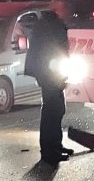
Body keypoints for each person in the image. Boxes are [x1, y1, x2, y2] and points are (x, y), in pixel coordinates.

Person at [24, 12, 71, 164]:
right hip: (49, 73)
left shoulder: (48, 24)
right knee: (52, 111)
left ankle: (55, 146)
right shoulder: (51, 26)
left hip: (50, 73)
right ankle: (49, 151)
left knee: (57, 109)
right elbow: (52, 52)